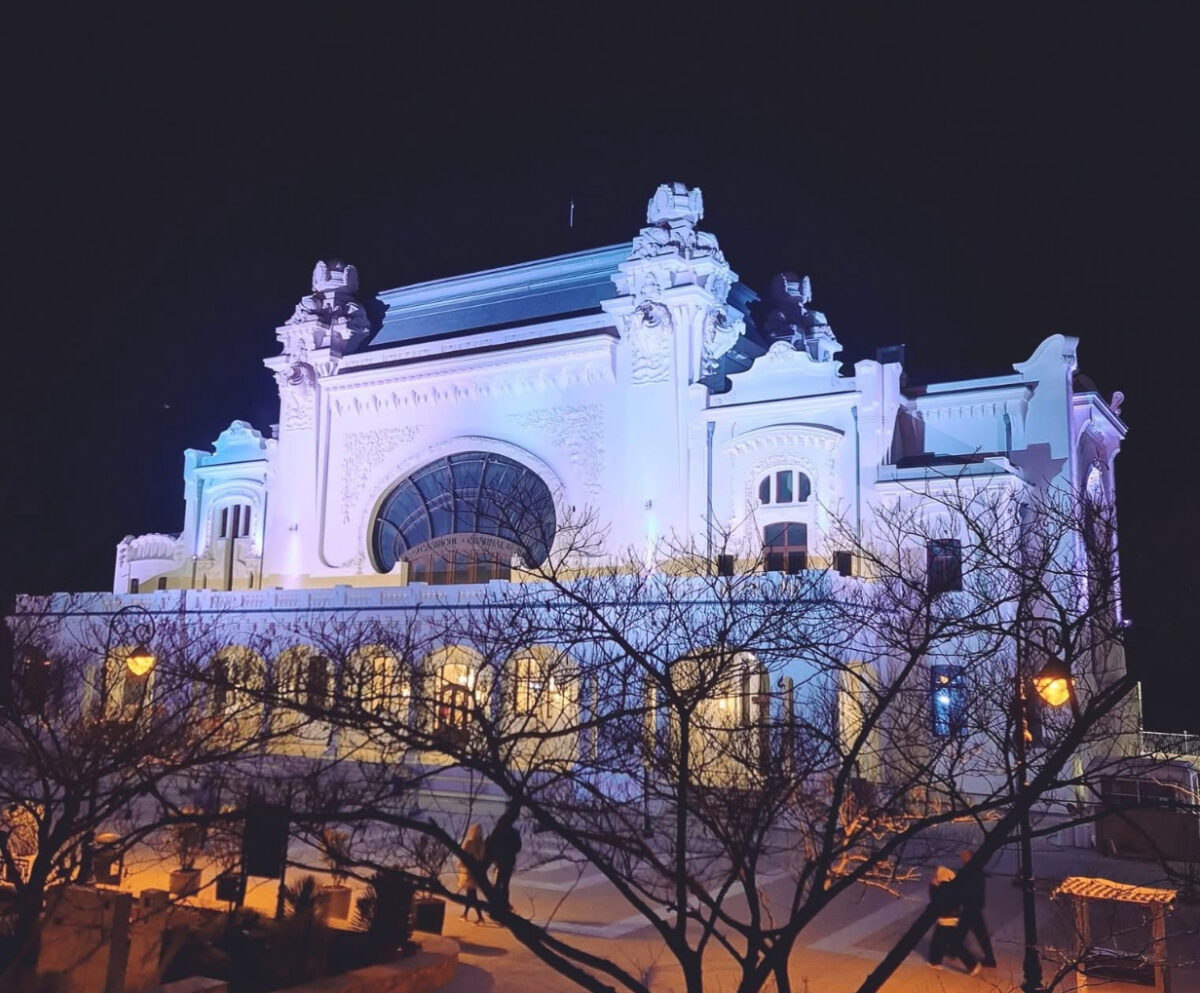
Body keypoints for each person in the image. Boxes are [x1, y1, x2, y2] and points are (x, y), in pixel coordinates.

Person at [928, 865, 980, 975]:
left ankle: (972, 964)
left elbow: (936, 900)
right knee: (939, 941)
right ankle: (935, 961)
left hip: (946, 918)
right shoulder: (953, 886)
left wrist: (932, 887)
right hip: (951, 918)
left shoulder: (943, 887)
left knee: (950, 943)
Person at [957, 850, 997, 968]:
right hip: (974, 906)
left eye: (963, 856)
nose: (961, 858)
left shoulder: (967, 872)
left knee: (964, 933)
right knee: (980, 933)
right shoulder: (977, 871)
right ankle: (989, 958)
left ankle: (966, 957)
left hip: (970, 906)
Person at [485, 802, 523, 910]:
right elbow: (518, 847)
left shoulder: (498, 832)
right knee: (504, 884)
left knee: (499, 883)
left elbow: (490, 844)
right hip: (508, 860)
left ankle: (499, 904)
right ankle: (503, 903)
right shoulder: (513, 833)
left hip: (501, 860)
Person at [457, 823, 486, 924]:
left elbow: (463, 856)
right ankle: (466, 914)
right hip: (476, 871)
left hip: (468, 871)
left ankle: (479, 917)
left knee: (471, 895)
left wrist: (460, 866)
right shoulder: (482, 844)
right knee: (471, 895)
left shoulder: (469, 843)